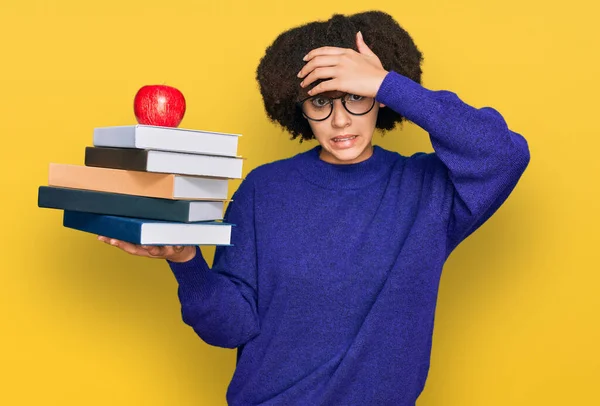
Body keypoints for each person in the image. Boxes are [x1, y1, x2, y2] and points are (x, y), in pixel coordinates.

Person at [98, 10, 530, 405]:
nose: (340, 120)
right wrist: (186, 260)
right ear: (299, 107)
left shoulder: (428, 192)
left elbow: (504, 155)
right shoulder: (263, 190)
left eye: (355, 98)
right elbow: (231, 328)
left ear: (379, 100)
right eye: (321, 102)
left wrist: (388, 83)